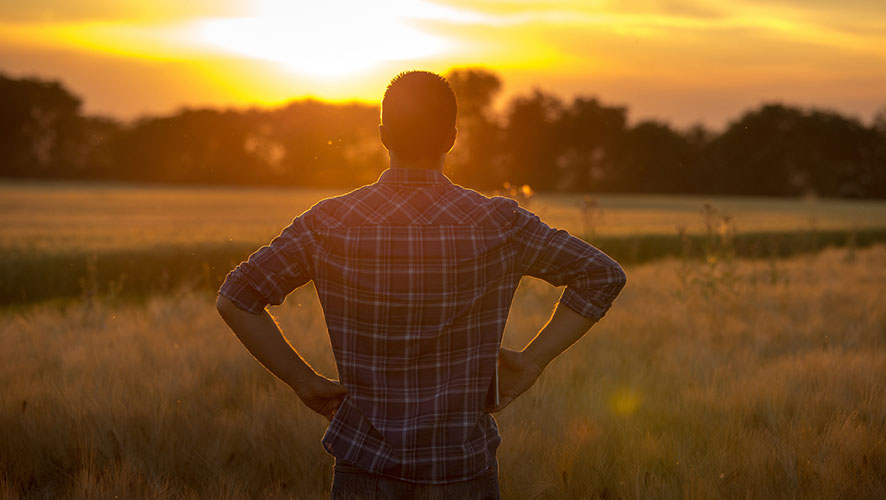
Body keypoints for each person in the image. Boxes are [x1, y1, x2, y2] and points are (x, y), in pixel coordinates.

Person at [215, 70, 626, 499]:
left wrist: (304, 382)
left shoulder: (328, 223)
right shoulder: (500, 224)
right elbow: (602, 275)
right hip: (464, 468)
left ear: (382, 135)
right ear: (451, 138)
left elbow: (236, 299)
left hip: (364, 466)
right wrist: (533, 360)